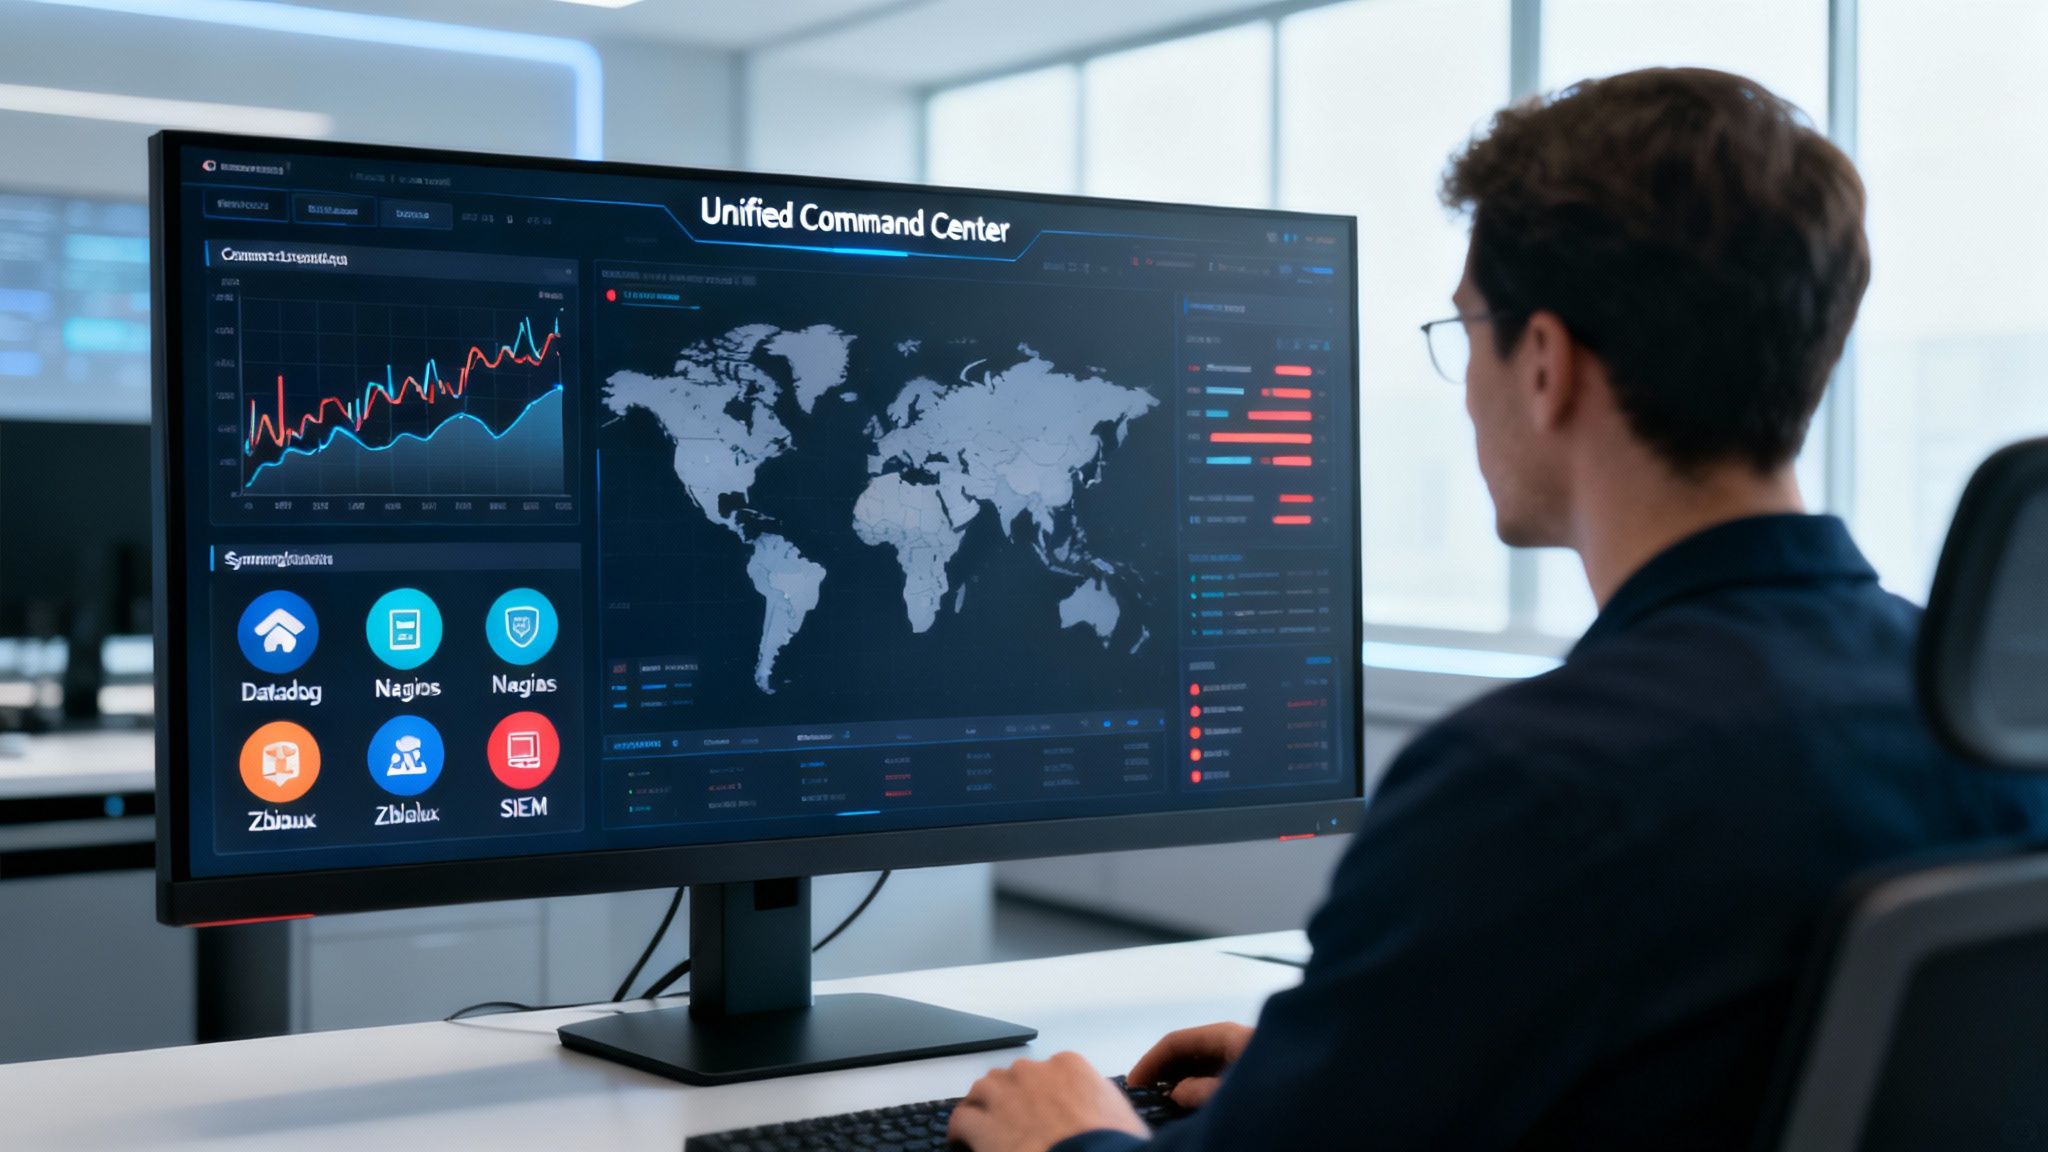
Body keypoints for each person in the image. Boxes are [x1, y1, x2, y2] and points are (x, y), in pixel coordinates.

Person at [946, 66, 2048, 1152]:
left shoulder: (1528, 785)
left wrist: (1070, 1142)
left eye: (1465, 328)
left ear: (1544, 363)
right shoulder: (1986, 719)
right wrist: (1350, 1064)